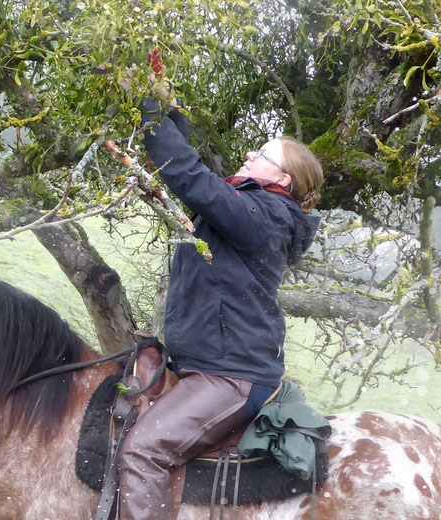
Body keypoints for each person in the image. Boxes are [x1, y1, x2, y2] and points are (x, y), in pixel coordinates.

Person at [116, 95, 324, 519]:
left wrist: (150, 112)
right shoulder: (249, 210)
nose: (250, 154)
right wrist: (170, 112)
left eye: (262, 154)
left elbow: (191, 177)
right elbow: (191, 177)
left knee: (143, 450)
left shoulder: (267, 217)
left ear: (283, 181)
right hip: (209, 365)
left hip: (231, 377)